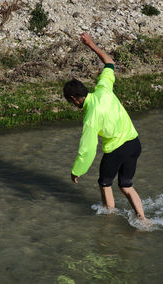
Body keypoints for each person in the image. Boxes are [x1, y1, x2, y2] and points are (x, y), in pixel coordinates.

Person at [64, 32, 148, 221]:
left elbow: (87, 148)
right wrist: (91, 44)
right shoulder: (103, 88)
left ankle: (108, 223)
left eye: (71, 102)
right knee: (126, 186)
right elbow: (109, 63)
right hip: (134, 143)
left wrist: (77, 170)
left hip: (116, 149)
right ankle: (143, 219)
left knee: (105, 183)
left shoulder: (90, 116)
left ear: (74, 99)